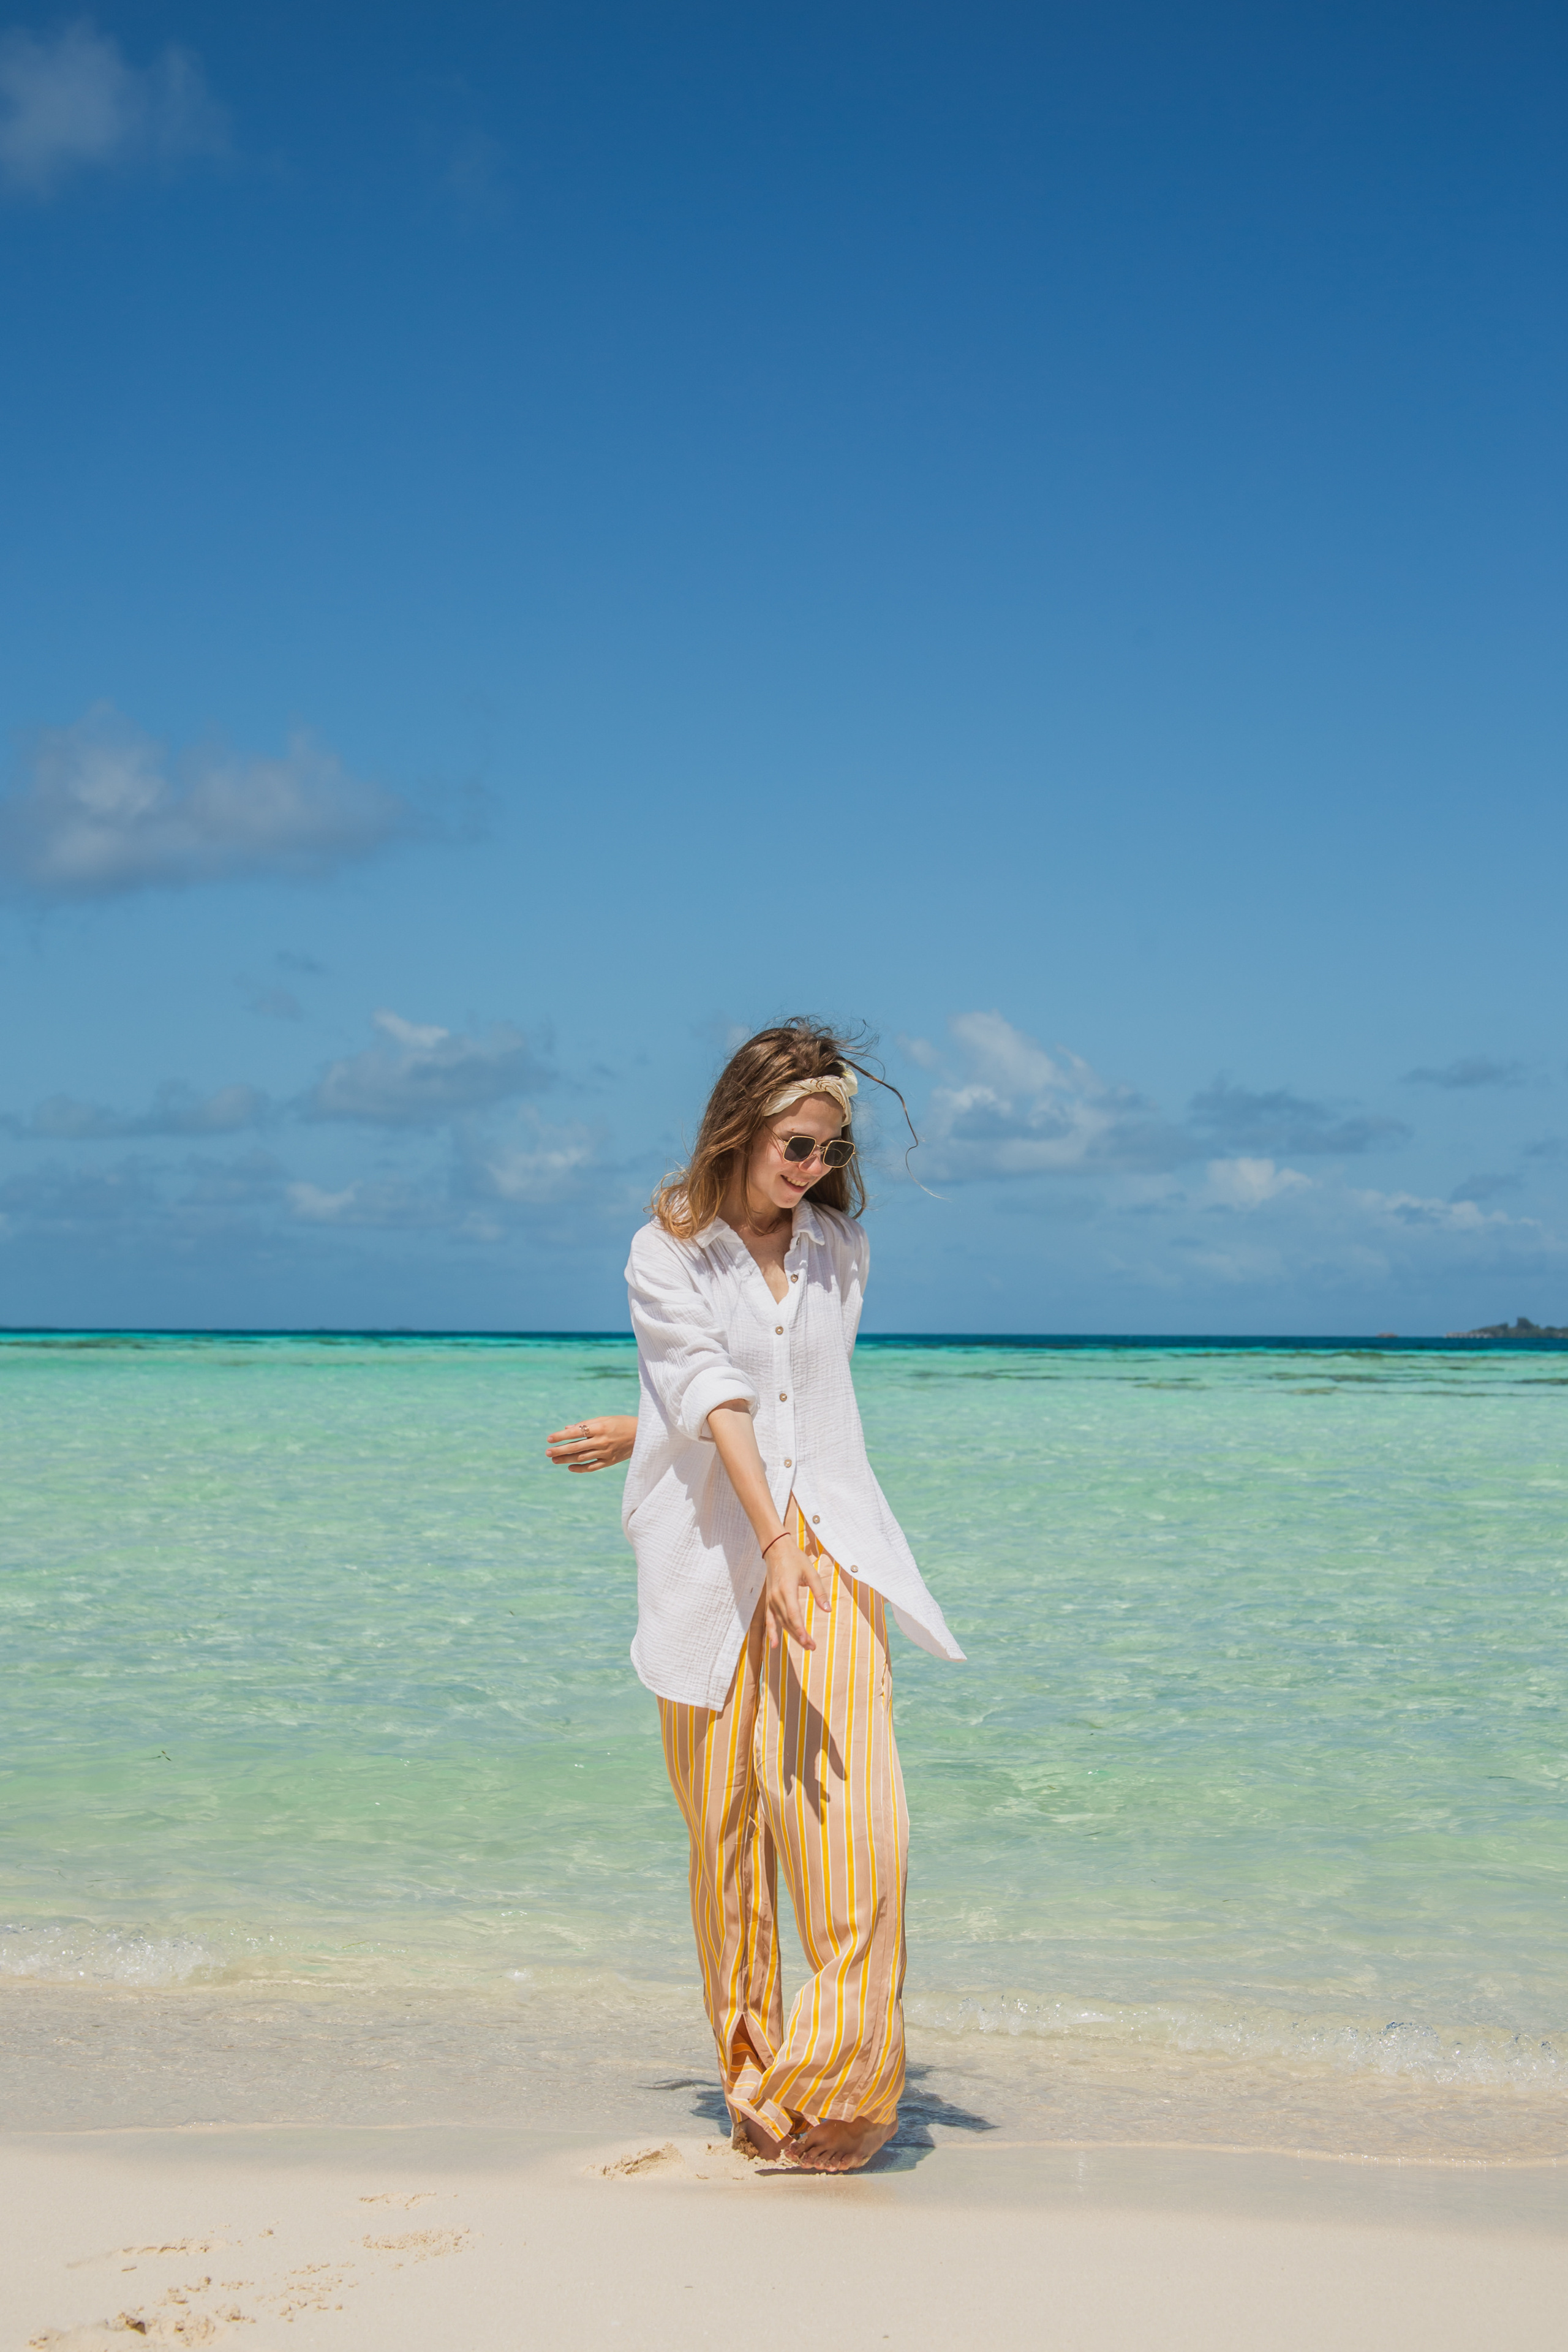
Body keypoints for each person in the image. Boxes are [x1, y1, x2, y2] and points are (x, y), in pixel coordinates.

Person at [547, 1019, 963, 2171]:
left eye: (828, 1150)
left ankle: (840, 2087)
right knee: (726, 1839)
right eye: (794, 1145)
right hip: (709, 1562)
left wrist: (776, 1526)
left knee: (860, 1833)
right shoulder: (663, 1251)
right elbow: (711, 1383)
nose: (812, 1170)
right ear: (739, 1127)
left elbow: (788, 1399)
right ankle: (757, 2090)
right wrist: (667, 1436)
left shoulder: (841, 1251)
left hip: (828, 1548)